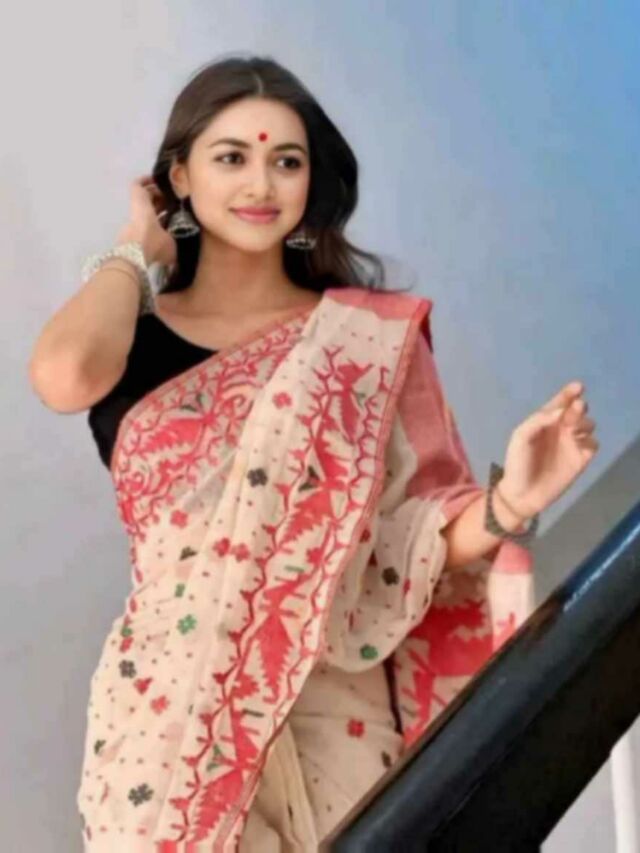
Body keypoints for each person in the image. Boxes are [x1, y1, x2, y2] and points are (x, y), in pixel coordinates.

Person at [28, 54, 598, 851]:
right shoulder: (132, 338)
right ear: (179, 177)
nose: (261, 184)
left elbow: (407, 543)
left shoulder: (363, 342)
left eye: (286, 162)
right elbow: (63, 375)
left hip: (338, 716)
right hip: (166, 724)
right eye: (231, 158)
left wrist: (511, 503)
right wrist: (136, 245)